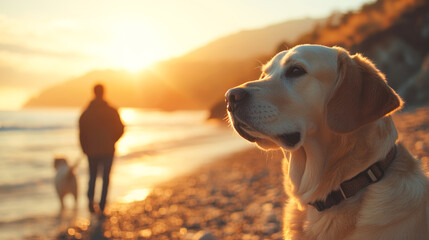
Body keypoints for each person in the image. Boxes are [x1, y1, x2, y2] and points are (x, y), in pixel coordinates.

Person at [79, 84, 124, 215]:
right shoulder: (111, 110)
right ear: (104, 92)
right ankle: (103, 205)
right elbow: (121, 128)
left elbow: (81, 133)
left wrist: (84, 147)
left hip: (92, 151)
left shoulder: (86, 112)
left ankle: (90, 201)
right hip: (108, 150)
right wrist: (112, 140)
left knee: (92, 176)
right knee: (105, 177)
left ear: (93, 92)